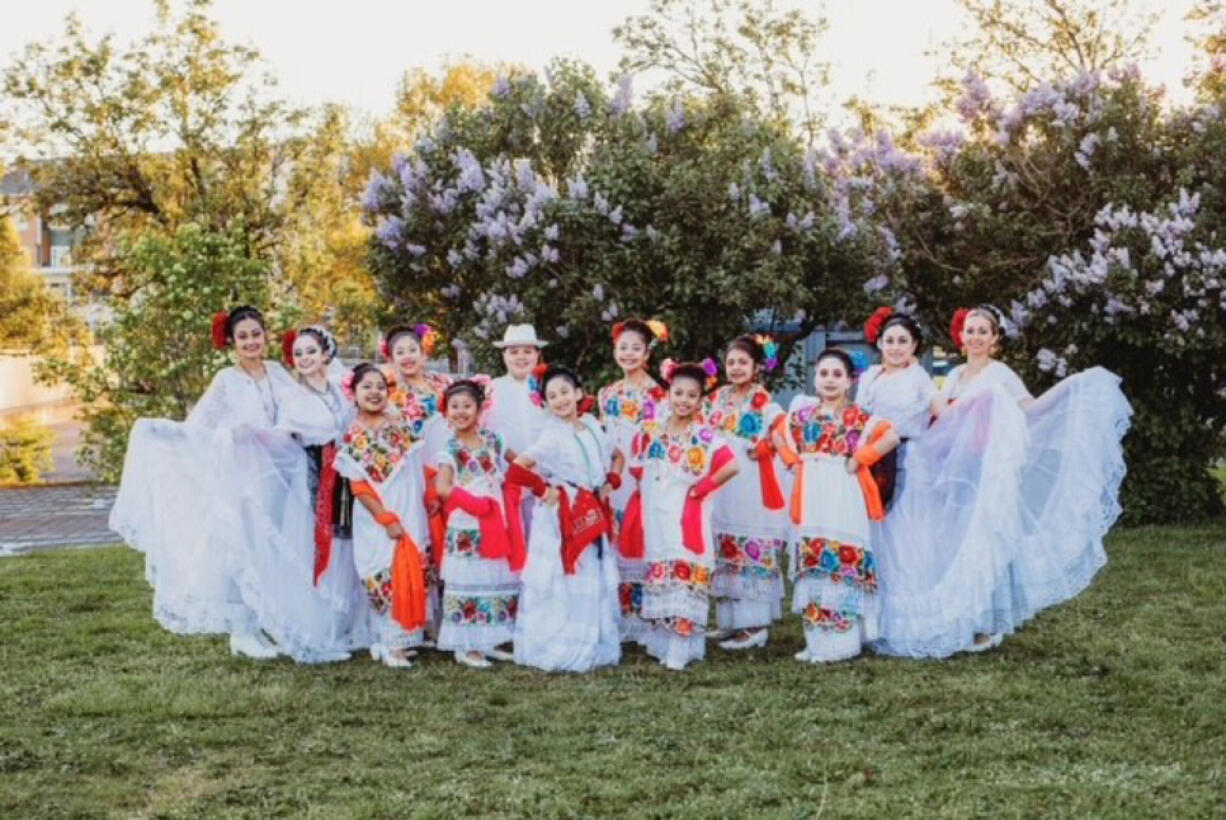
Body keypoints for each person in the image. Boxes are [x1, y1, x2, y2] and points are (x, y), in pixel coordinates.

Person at [872, 306, 1132, 657]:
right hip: (958, 469)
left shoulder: (1001, 374)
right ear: (961, 337)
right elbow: (944, 422)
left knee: (986, 536)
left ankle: (988, 621)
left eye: (983, 331)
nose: (976, 337)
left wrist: (1070, 387)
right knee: (959, 540)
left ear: (995, 339)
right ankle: (966, 613)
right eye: (970, 331)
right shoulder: (953, 376)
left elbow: (1031, 408)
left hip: (988, 464)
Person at [110, 306, 335, 659]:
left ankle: (263, 621)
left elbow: (300, 408)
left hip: (281, 473)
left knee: (271, 547)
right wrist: (224, 434)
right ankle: (241, 629)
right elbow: (200, 424)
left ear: (265, 336)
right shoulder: (226, 380)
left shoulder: (277, 372)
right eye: (243, 336)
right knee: (244, 545)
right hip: (244, 475)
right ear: (231, 341)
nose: (251, 342)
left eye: (256, 334)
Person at [775, 349, 899, 663]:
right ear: (815, 379)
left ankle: (844, 641)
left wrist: (861, 458)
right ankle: (816, 638)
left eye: (837, 375)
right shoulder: (802, 416)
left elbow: (891, 437)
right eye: (824, 374)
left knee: (842, 553)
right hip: (813, 490)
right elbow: (777, 435)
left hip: (843, 491)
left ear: (849, 381)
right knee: (814, 556)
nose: (829, 380)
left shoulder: (859, 418)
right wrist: (792, 461)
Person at [622, 359, 738, 671]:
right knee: (662, 570)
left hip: (686, 510)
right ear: (668, 393)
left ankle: (682, 646)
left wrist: (702, 488)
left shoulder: (704, 435)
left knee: (685, 570)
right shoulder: (653, 429)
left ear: (701, 400)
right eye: (678, 393)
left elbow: (731, 465)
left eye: (691, 395)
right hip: (656, 509)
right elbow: (634, 461)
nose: (683, 400)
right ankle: (662, 641)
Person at [507, 365, 623, 672]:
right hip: (564, 512)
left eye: (564, 393)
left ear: (578, 394)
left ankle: (590, 638)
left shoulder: (592, 425)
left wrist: (612, 480)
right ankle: (561, 642)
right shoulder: (551, 436)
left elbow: (617, 455)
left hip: (592, 506)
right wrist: (545, 489)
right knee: (564, 577)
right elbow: (517, 468)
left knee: (591, 572)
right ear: (545, 403)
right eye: (552, 396)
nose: (559, 400)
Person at [334, 363, 430, 668]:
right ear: (354, 394)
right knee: (382, 569)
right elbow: (358, 485)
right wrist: (384, 518)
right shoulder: (353, 434)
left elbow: (416, 468)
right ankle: (391, 644)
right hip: (377, 516)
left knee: (412, 566)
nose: (374, 392)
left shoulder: (399, 425)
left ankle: (403, 638)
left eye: (380, 386)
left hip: (408, 507)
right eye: (367, 387)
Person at [703, 335, 789, 650]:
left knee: (748, 545)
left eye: (743, 362)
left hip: (750, 482)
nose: (736, 368)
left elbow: (783, 431)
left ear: (755, 367)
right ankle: (729, 621)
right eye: (731, 362)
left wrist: (764, 446)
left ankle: (754, 625)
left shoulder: (763, 400)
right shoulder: (717, 398)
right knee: (724, 546)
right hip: (722, 479)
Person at [434, 380, 521, 668]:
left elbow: (520, 463)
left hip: (496, 518)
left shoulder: (494, 440)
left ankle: (489, 639)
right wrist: (472, 503)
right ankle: (466, 645)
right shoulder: (450, 449)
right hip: (468, 521)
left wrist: (519, 486)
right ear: (446, 412)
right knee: (470, 579)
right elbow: (443, 487)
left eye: (467, 406)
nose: (461, 412)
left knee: (495, 576)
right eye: (454, 407)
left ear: (480, 409)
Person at [597, 318, 669, 642]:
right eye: (622, 347)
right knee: (614, 537)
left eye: (635, 348)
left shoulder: (658, 394)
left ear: (646, 353)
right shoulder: (607, 393)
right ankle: (620, 614)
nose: (628, 353)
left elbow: (659, 439)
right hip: (614, 472)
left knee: (642, 536)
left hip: (642, 472)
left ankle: (646, 614)